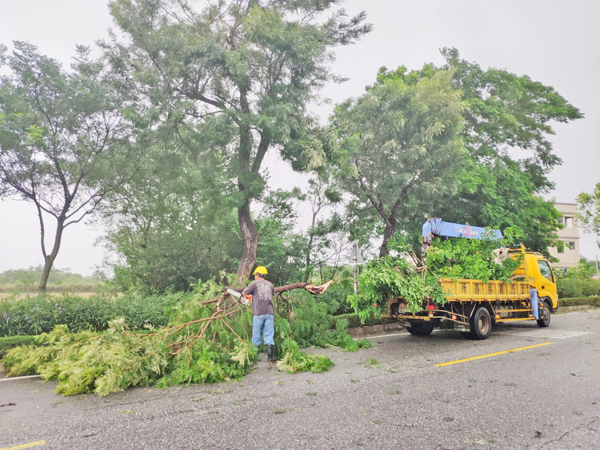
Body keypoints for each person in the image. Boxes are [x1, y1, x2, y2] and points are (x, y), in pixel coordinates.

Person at [243, 266, 276, 363]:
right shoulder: (270, 284)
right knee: (269, 335)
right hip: (270, 312)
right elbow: (270, 296)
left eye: (255, 275)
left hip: (258, 313)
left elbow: (244, 293)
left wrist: (248, 296)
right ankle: (270, 358)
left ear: (257, 274)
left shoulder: (254, 283)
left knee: (256, 336)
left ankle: (253, 358)